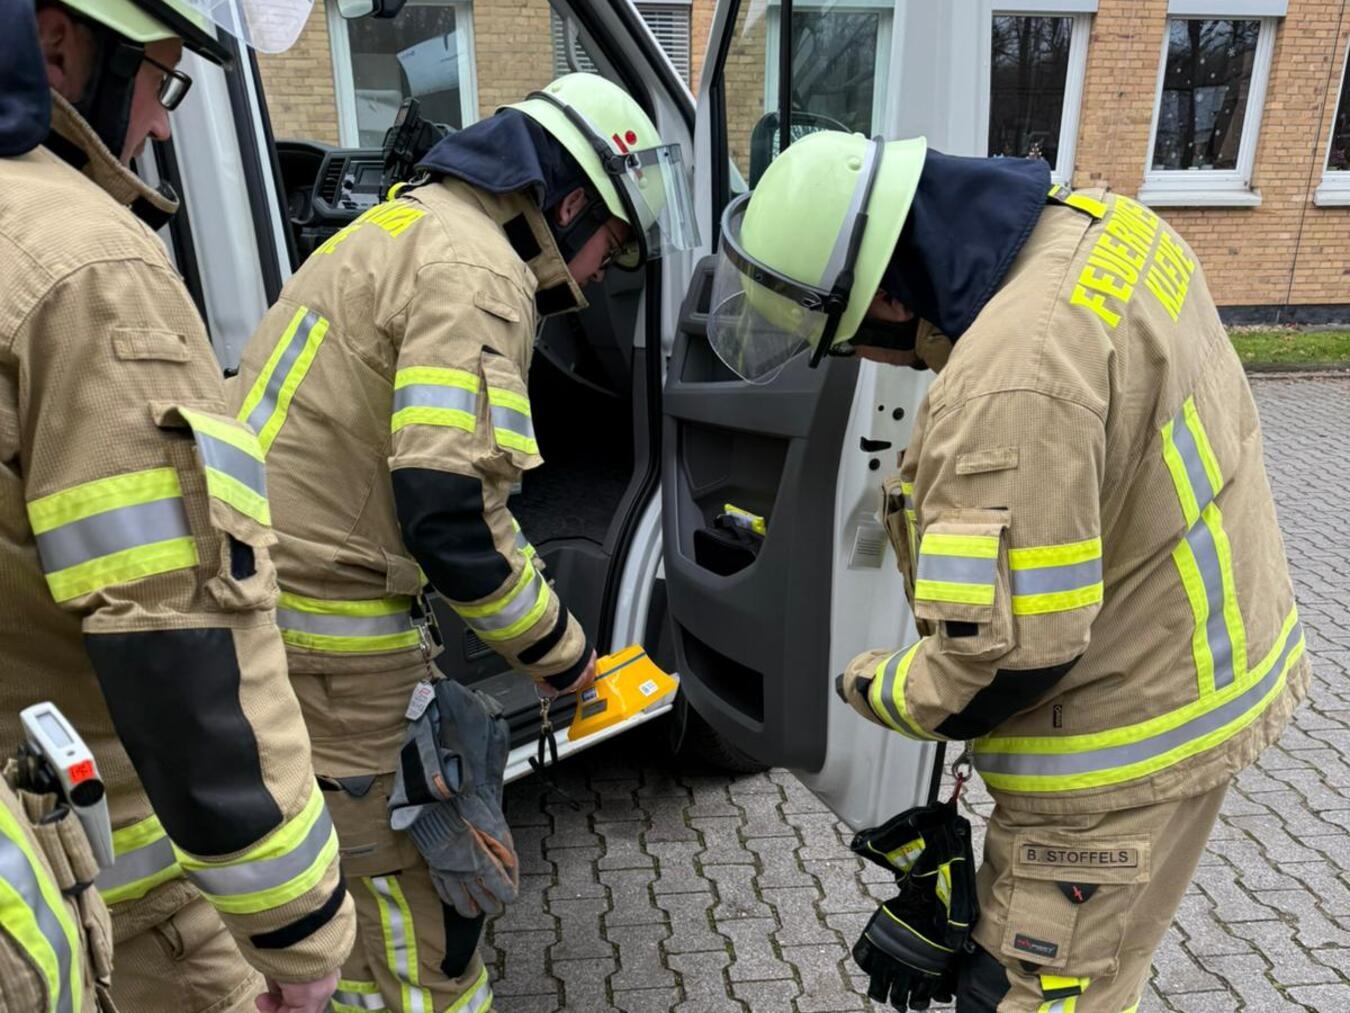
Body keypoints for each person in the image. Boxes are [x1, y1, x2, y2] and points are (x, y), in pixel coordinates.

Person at [707, 130, 1308, 1012]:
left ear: (884, 294)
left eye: (846, 340)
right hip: (1201, 670)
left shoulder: (1006, 387)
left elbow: (1013, 658)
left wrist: (879, 688)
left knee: (1032, 989)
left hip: (1110, 756)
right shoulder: (1109, 226)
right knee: (1106, 965)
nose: (866, 363)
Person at [227, 71, 697, 1011]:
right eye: (612, 243)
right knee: (421, 916)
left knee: (352, 895)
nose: (606, 272)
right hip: (333, 639)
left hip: (283, 602)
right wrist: (568, 659)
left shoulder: (406, 224)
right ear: (566, 206)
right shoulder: (480, 273)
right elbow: (450, 517)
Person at [0, 1, 357, 1011]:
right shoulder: (88, 265)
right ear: (62, 40)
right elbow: (181, 636)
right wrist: (299, 932)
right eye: (162, 81)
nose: (159, 125)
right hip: (113, 890)